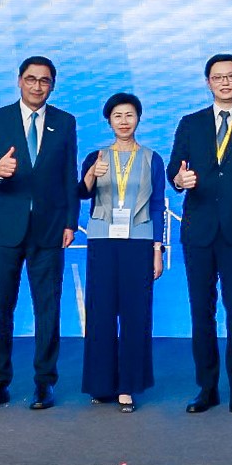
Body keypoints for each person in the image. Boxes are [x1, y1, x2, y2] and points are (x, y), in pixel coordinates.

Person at [0, 56, 79, 412]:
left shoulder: (65, 122)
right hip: (3, 230)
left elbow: (69, 175)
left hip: (49, 229)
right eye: (31, 79)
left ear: (53, 86)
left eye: (44, 81)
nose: (37, 86)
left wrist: (70, 222)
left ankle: (44, 383)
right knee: (0, 307)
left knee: (48, 308)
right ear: (19, 81)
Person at [167, 53, 232, 414]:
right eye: (218, 77)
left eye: (231, 76)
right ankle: (207, 387)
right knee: (201, 311)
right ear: (208, 82)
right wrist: (179, 179)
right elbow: (173, 169)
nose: (225, 82)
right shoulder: (190, 123)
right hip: (198, 230)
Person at [79, 93, 165, 413]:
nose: (124, 121)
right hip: (102, 240)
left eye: (129, 115)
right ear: (109, 121)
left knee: (135, 313)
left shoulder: (152, 158)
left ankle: (128, 386)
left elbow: (157, 206)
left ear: (138, 119)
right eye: (118, 116)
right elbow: (81, 192)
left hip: (139, 241)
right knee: (100, 312)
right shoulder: (96, 156)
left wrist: (157, 249)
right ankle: (101, 384)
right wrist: (91, 173)